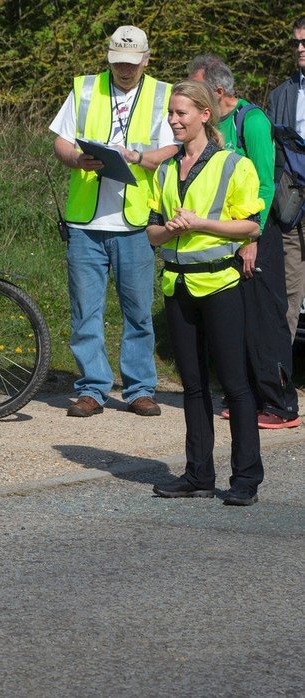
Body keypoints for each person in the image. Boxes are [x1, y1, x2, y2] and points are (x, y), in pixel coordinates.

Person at [50, 25, 177, 419]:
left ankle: (139, 388)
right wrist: (75, 159)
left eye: (132, 63)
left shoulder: (163, 94)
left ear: (146, 58)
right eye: (118, 62)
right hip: (86, 221)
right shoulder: (86, 88)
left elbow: (173, 144)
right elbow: (60, 140)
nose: (124, 70)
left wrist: (139, 158)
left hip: (135, 220)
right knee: (85, 310)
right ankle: (92, 388)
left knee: (138, 310)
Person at [147, 81, 264, 506]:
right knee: (192, 387)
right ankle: (198, 473)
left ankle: (246, 478)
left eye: (181, 114)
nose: (174, 121)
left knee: (235, 384)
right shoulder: (163, 170)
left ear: (204, 115)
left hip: (221, 284)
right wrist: (169, 230)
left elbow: (250, 226)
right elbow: (153, 234)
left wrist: (200, 225)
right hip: (177, 285)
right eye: (171, 114)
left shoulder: (234, 165)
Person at [189, 55, 300, 429]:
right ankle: (248, 396)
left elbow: (266, 184)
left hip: (257, 231)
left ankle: (281, 404)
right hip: (228, 233)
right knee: (240, 318)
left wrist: (253, 235)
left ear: (218, 91)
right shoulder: (214, 125)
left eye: (199, 88)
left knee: (265, 318)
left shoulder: (251, 121)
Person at [267, 16, 305, 344]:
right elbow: (272, 154)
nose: (300, 49)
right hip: (292, 207)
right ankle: (278, 378)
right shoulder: (281, 95)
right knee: (289, 295)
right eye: (295, 43)